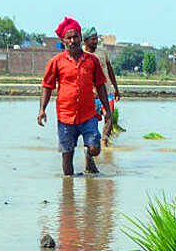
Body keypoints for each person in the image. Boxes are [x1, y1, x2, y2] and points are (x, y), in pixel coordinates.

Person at [38, 17, 111, 175]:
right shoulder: (56, 62)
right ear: (63, 41)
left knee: (95, 148)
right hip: (66, 116)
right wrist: (42, 109)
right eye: (69, 38)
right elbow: (47, 86)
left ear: (80, 38)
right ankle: (68, 194)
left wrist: (107, 109)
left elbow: (100, 85)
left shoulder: (92, 61)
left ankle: (88, 156)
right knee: (67, 156)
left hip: (88, 114)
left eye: (75, 37)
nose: (72, 40)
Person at [83, 27, 121, 145]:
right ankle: (92, 143)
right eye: (92, 39)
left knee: (108, 115)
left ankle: (104, 141)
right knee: (90, 121)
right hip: (90, 95)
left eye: (96, 39)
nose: (95, 42)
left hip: (107, 91)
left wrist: (116, 89)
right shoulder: (81, 55)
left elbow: (110, 70)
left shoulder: (102, 52)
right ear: (85, 40)